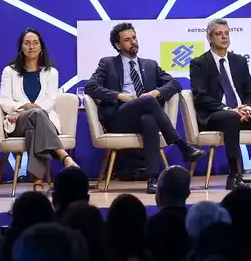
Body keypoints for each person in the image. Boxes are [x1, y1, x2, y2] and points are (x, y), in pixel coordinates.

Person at [86, 22, 204, 194]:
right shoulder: (107, 63)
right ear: (118, 45)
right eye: (127, 40)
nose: (133, 42)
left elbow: (175, 84)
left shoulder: (150, 65)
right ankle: (182, 146)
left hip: (143, 115)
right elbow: (90, 87)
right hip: (119, 118)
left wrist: (157, 92)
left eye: (134, 38)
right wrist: (119, 95)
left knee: (149, 119)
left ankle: (152, 179)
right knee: (148, 102)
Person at [188, 19, 251, 188]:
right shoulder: (199, 63)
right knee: (230, 117)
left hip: (243, 113)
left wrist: (247, 107)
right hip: (216, 115)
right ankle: (234, 175)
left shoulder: (239, 61)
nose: (224, 37)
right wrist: (229, 109)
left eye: (226, 33)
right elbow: (201, 97)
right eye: (219, 34)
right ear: (209, 38)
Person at [0, 27, 77, 192]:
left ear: (41, 47)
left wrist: (35, 109)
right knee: (36, 115)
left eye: (35, 43)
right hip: (18, 120)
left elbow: (51, 100)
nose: (31, 46)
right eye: (27, 43)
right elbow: (4, 100)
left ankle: (38, 182)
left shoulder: (51, 72)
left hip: (44, 120)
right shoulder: (9, 71)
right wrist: (22, 107)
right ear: (21, 47)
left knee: (34, 130)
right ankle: (63, 155)